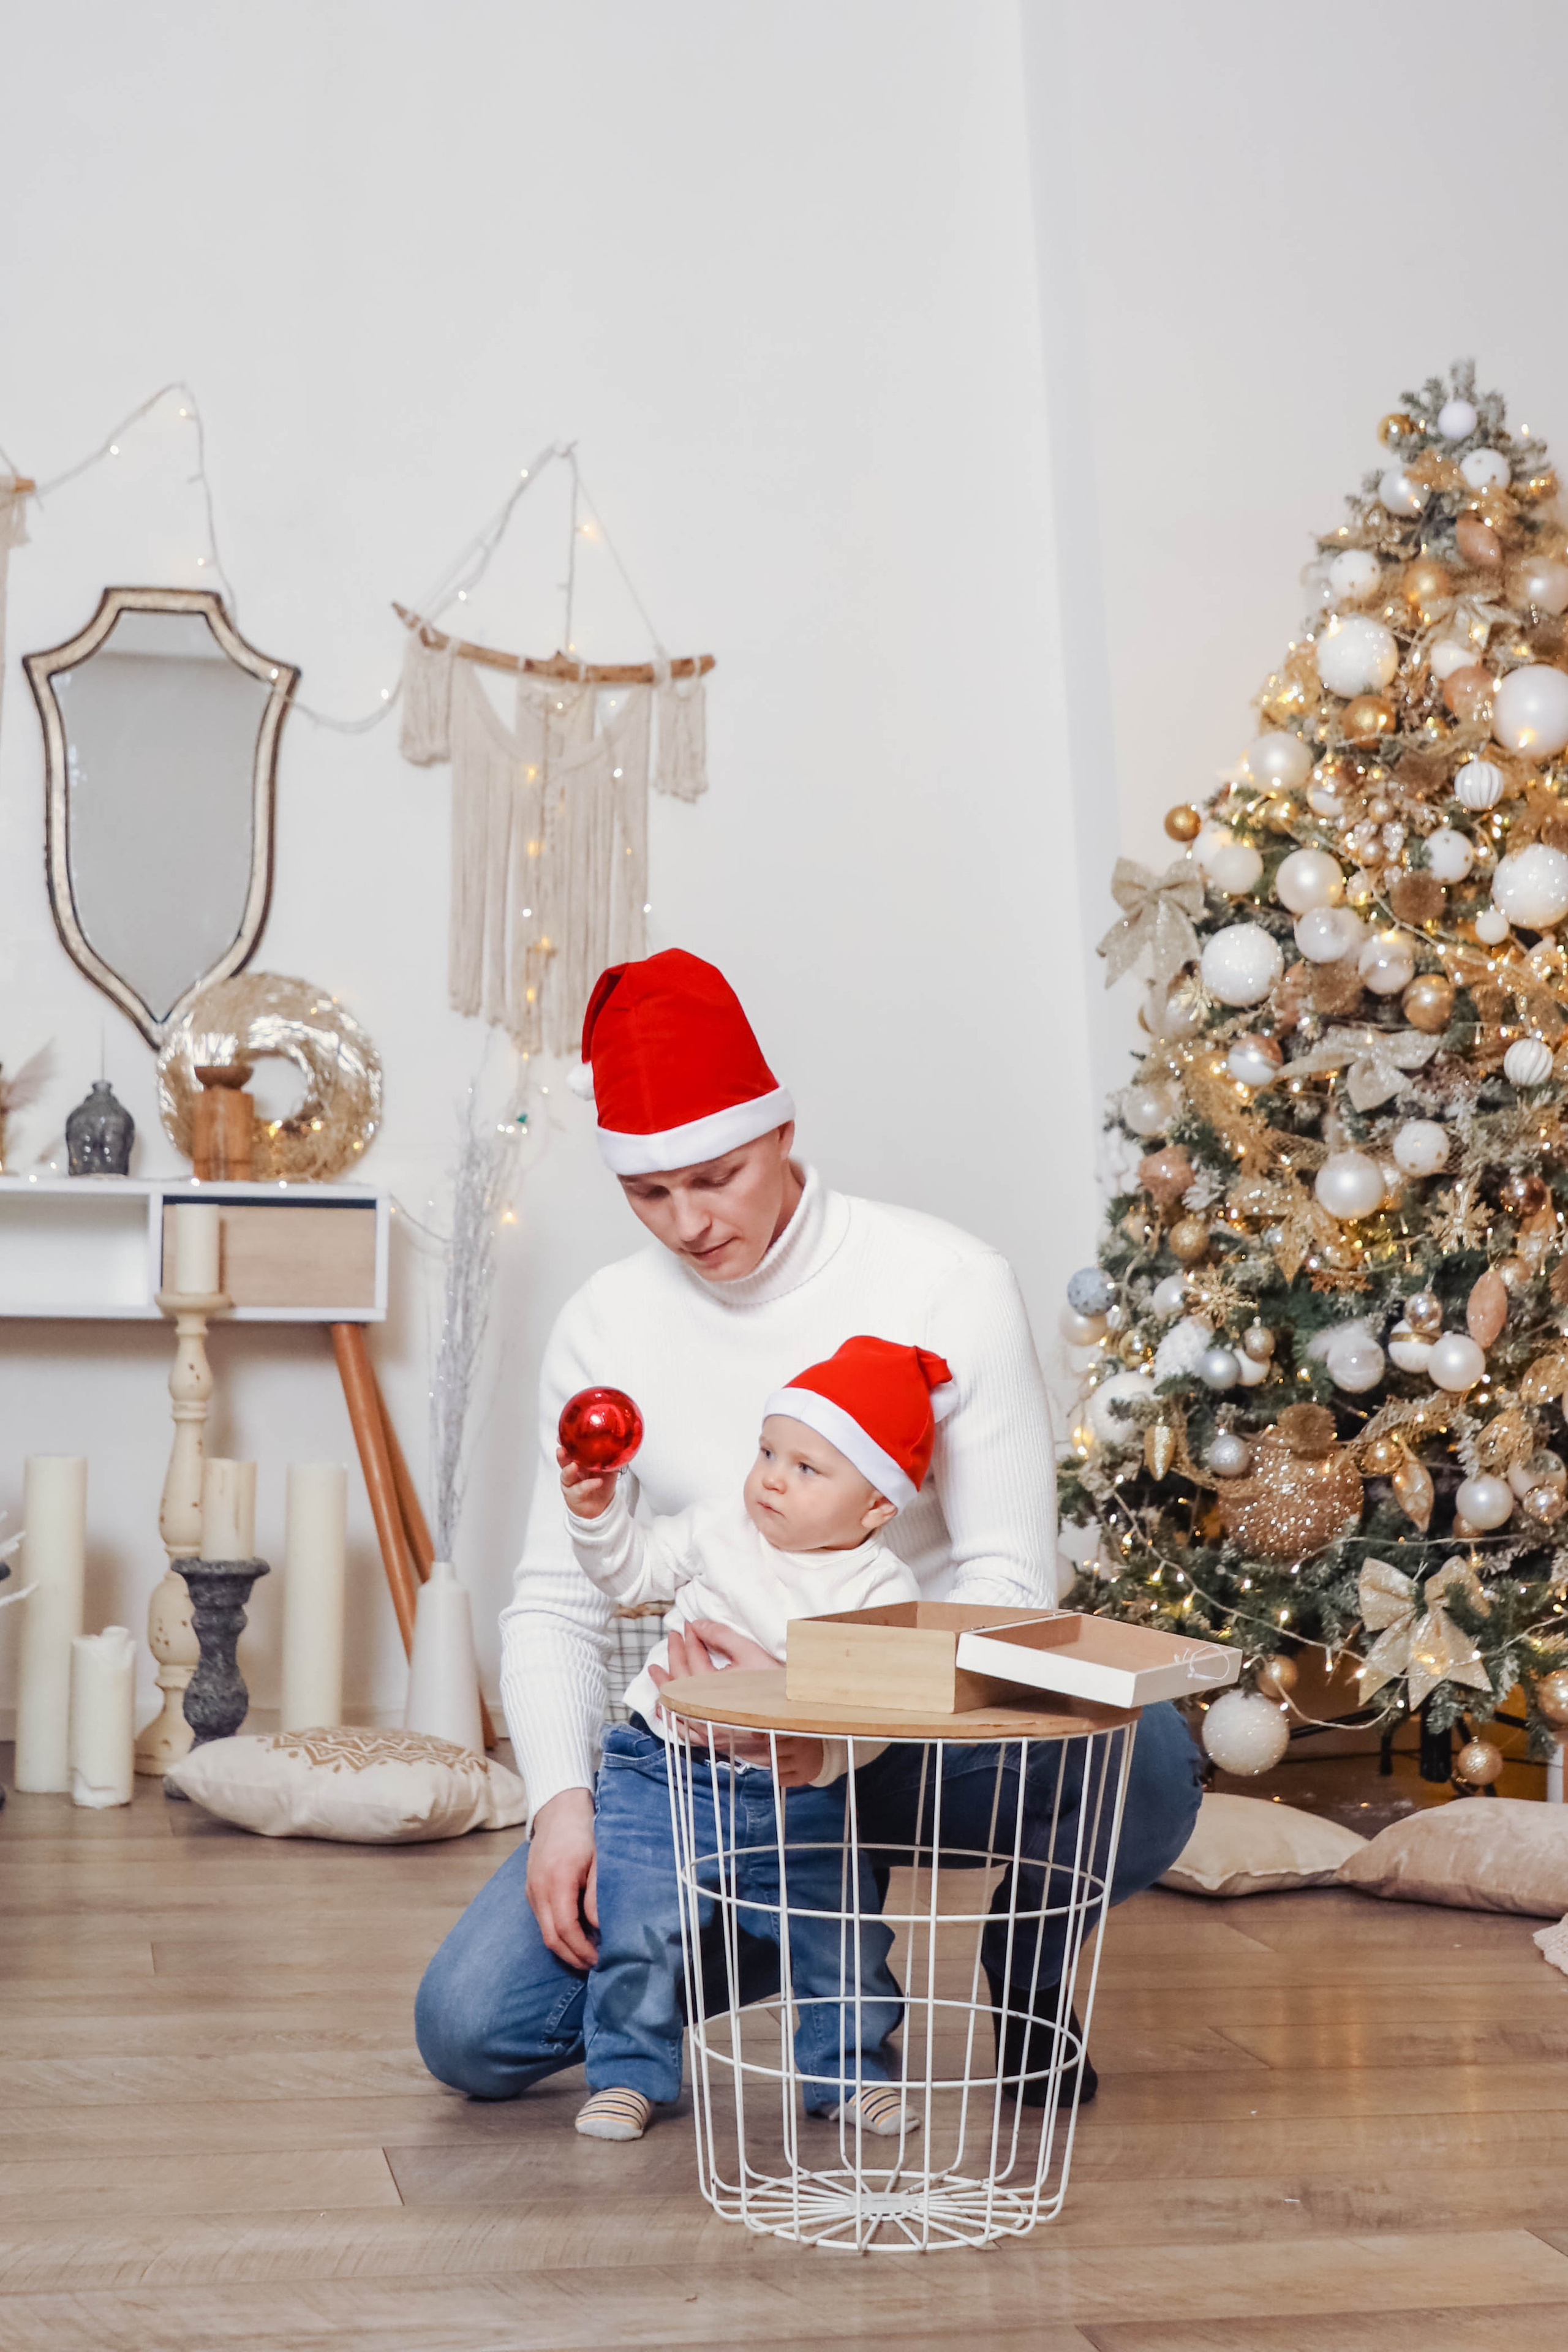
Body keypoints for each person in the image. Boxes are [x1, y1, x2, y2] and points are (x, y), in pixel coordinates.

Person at [415, 948, 1203, 2109]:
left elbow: (1007, 1580)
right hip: (707, 1771)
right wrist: (560, 1806)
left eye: (717, 1177)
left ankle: (1018, 1975)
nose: (687, 1223)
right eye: (648, 1194)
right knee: (472, 2030)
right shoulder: (606, 1324)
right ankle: (769, 1918)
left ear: (780, 1130)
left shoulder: (947, 1280)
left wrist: (824, 1702)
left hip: (925, 1748)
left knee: (1149, 1762)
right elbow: (558, 1599)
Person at [565, 1336, 949, 2143]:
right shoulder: (719, 1528)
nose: (772, 1476)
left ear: (878, 1505)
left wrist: (826, 1755)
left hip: (792, 1791)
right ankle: (629, 2075)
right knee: (639, 1929)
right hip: (662, 1771)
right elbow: (632, 1575)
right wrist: (601, 1515)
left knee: (839, 1936)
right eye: (768, 1450)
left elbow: (886, 1713)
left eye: (808, 1468)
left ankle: (850, 2071)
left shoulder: (881, 1590)